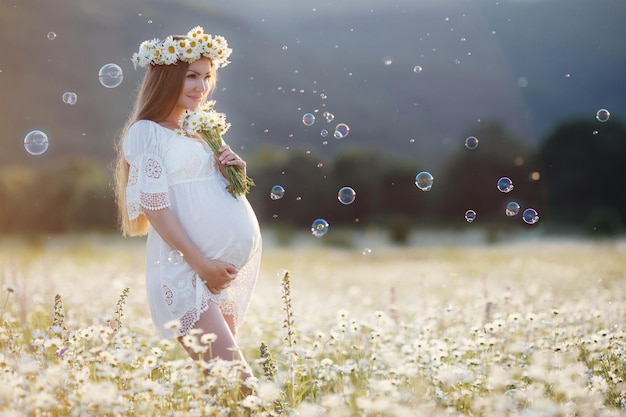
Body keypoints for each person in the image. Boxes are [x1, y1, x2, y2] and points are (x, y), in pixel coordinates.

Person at [113, 26, 261, 387]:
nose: (201, 86)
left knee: (221, 391)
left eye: (207, 76)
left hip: (219, 275)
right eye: (191, 76)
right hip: (188, 272)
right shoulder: (148, 132)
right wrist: (202, 265)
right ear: (166, 79)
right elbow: (156, 207)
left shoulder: (201, 130)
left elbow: (211, 194)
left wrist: (235, 174)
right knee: (241, 386)